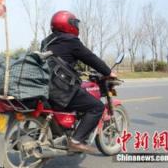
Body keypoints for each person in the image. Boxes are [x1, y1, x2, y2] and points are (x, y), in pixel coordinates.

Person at [41, 10, 117, 154]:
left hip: (45, 87)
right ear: (68, 25)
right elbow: (90, 57)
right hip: (60, 89)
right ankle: (76, 141)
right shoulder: (71, 41)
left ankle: (62, 134)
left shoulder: (46, 41)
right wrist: (108, 72)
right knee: (97, 107)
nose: (76, 26)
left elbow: (59, 61)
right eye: (74, 23)